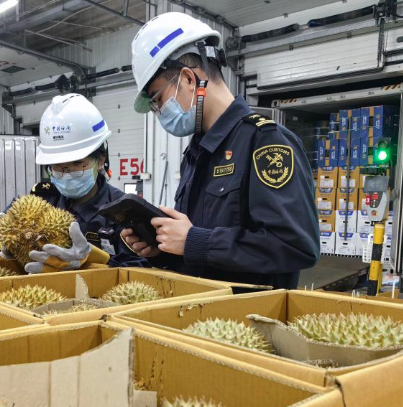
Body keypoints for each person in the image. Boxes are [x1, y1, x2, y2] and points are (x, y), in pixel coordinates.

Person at [121, 13, 320, 289]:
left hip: (250, 315)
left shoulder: (265, 143)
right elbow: (200, 254)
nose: (159, 112)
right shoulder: (195, 155)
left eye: (158, 100)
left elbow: (295, 247)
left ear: (188, 79)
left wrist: (194, 241)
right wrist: (163, 250)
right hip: (200, 310)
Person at [0, 93, 147, 272]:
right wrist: (1, 239)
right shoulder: (40, 199)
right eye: (57, 165)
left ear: (100, 160)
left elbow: (142, 266)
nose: (67, 173)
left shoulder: (124, 210)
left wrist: (93, 260)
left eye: (77, 163)